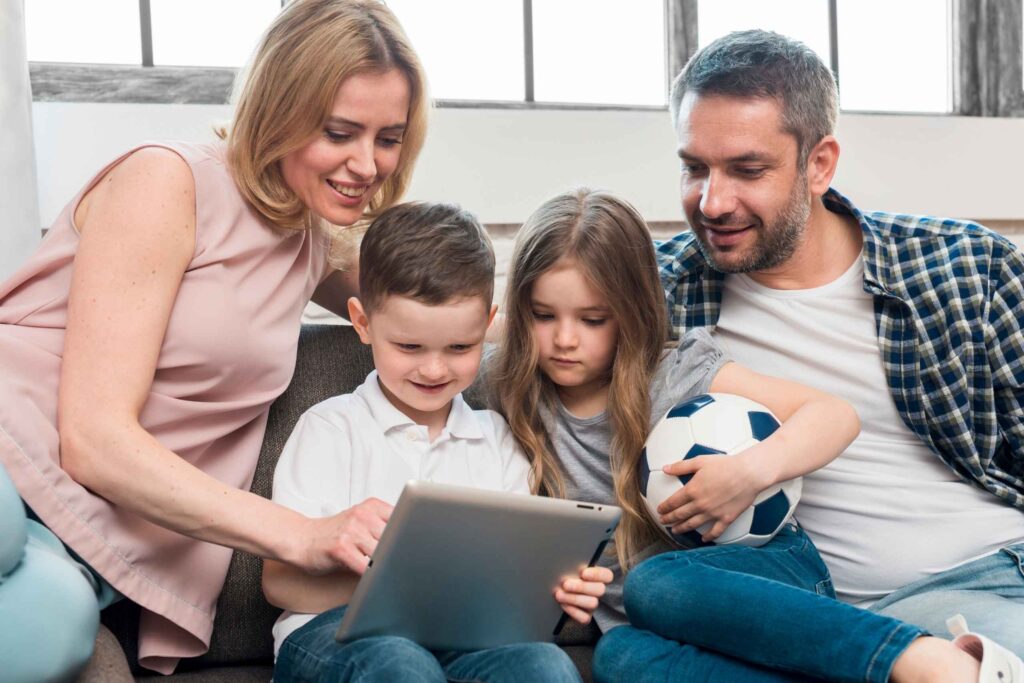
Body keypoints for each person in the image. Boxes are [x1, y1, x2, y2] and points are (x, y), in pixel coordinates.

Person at [0, 1, 432, 678]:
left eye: (388, 137)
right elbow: (94, 440)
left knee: (55, 622)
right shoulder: (167, 181)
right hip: (11, 462)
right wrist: (302, 532)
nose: (366, 163)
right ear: (279, 108)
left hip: (66, 553)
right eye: (339, 131)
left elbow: (434, 297)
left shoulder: (316, 242)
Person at [599, 28, 1023, 681]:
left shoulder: (965, 267)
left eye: (747, 170)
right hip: (806, 619)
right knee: (628, 654)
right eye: (694, 167)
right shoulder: (655, 296)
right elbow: (518, 354)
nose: (713, 202)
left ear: (819, 163)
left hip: (981, 580)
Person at [493, 188, 1020, 683]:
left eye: (592, 319)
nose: (565, 339)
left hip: (766, 578)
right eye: (543, 316)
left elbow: (834, 415)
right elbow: (442, 348)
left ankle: (912, 656)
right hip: (662, 627)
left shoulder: (672, 373)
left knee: (654, 585)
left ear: (632, 314)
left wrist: (751, 471)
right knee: (619, 655)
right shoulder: (505, 388)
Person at [264, 201, 611, 682]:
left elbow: (511, 590)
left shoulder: (497, 439)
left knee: (544, 665)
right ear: (363, 323)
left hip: (464, 642)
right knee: (402, 664)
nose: (434, 369)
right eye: (409, 347)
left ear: (486, 325)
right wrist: (402, 588)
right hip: (336, 636)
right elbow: (282, 585)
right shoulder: (331, 428)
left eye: (459, 348)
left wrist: (554, 590)